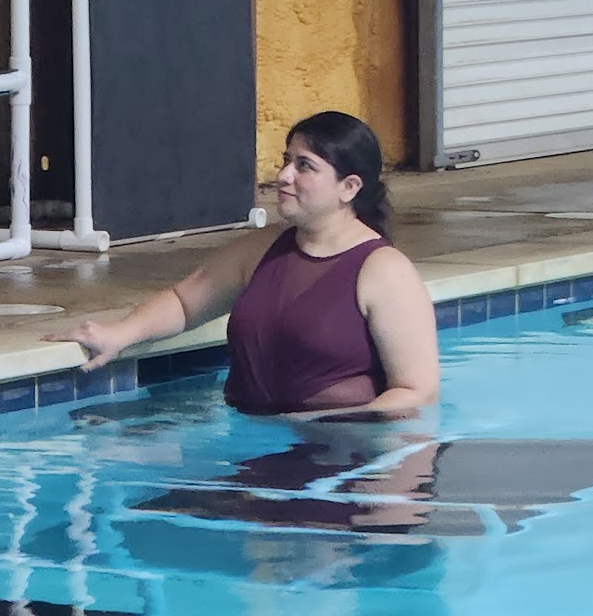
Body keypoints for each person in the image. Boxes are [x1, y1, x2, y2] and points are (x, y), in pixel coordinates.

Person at [60, 111, 439, 418]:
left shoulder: (384, 271)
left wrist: (324, 425)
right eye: (286, 160)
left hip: (341, 452)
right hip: (252, 440)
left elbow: (416, 391)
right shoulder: (263, 248)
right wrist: (120, 334)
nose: (283, 176)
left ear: (349, 187)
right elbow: (185, 302)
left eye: (304, 166)